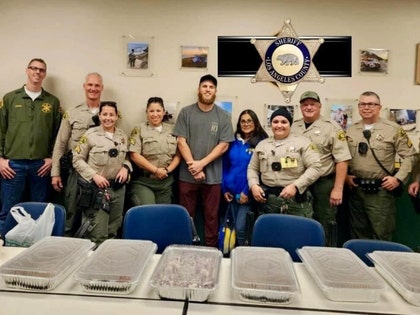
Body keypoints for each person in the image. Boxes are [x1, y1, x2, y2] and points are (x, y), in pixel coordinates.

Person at [0, 58, 61, 235]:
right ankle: (3, 245)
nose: (37, 72)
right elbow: (1, 130)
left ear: (45, 74)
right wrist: (1, 160)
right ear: (27, 71)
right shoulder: (10, 98)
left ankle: (36, 246)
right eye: (33, 68)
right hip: (13, 165)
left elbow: (58, 135)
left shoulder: (52, 102)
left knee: (39, 211)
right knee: (8, 211)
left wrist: (51, 158)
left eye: (41, 70)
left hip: (40, 165)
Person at [345, 91, 416, 240]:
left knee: (381, 233)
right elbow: (343, 157)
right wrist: (346, 176)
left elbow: (410, 155)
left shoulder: (393, 129)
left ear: (379, 107)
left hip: (380, 191)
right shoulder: (351, 130)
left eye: (371, 104)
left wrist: (398, 179)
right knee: (357, 232)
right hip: (356, 189)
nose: (366, 107)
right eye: (362, 104)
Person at [173, 74, 234, 247]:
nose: (207, 89)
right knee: (186, 216)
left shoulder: (223, 116)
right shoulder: (186, 112)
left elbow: (223, 145)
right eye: (204, 86)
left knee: (212, 217)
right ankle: (184, 248)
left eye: (211, 87)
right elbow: (180, 141)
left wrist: (201, 164)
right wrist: (194, 166)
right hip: (187, 177)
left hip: (213, 178)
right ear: (198, 90)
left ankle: (211, 251)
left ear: (215, 91)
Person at [291, 91, 351, 246]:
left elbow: (342, 159)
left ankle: (325, 254)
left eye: (312, 104)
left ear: (319, 106)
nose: (309, 107)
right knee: (299, 220)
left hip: (323, 183)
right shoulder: (294, 126)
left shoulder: (332, 127)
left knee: (325, 222)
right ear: (300, 107)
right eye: (305, 104)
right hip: (301, 182)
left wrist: (338, 189)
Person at [51, 72, 105, 236]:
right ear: (84, 86)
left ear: (102, 88)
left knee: (94, 217)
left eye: (97, 85)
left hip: (99, 172)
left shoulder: (109, 112)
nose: (93, 89)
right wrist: (55, 173)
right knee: (71, 214)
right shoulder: (72, 113)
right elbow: (60, 144)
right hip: (75, 171)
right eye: (90, 85)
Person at [72, 101, 131, 245]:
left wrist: (126, 168)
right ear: (99, 115)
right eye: (104, 114)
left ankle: (109, 263)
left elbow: (128, 157)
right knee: (97, 232)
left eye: (111, 114)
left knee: (113, 230)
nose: (108, 118)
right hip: (97, 190)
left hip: (117, 189)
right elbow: (77, 159)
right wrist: (94, 176)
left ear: (117, 116)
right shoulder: (90, 135)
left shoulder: (122, 135)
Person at [248, 107, 322, 218]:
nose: (279, 125)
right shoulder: (262, 145)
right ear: (271, 124)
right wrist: (253, 185)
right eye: (275, 122)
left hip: (296, 202)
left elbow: (316, 167)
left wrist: (295, 186)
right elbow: (252, 168)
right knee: (271, 234)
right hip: (269, 202)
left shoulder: (303, 143)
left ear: (290, 124)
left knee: (297, 234)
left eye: (284, 122)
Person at [222, 109, 268, 246]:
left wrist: (246, 191)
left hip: (247, 195)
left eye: (249, 121)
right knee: (230, 229)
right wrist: (224, 189)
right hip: (230, 195)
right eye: (243, 121)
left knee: (242, 229)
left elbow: (259, 171)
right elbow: (225, 166)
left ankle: (243, 255)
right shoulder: (232, 141)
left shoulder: (262, 143)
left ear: (255, 123)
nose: (246, 123)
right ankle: (231, 258)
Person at [127, 97, 181, 205]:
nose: (155, 114)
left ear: (164, 112)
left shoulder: (173, 129)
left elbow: (179, 155)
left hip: (166, 182)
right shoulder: (139, 129)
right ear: (146, 112)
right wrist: (156, 170)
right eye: (151, 111)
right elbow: (134, 155)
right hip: (144, 181)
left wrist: (167, 170)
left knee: (163, 215)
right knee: (148, 211)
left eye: (158, 111)